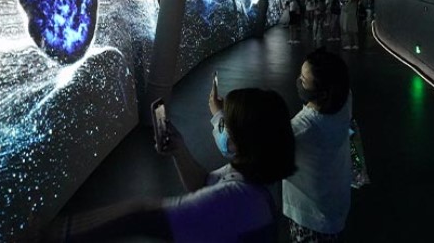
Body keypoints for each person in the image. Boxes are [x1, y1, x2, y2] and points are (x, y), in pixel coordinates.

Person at [47, 87, 296, 242]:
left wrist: (54, 233)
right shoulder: (253, 178)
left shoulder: (237, 198)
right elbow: (203, 183)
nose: (220, 127)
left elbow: (140, 215)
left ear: (243, 138)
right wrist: (179, 151)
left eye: (225, 125)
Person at [284, 49, 352, 242]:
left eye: (304, 80)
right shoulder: (345, 100)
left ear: (322, 93)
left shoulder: (303, 127)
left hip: (310, 218)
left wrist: (220, 118)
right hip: (335, 206)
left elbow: (249, 150)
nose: (298, 81)